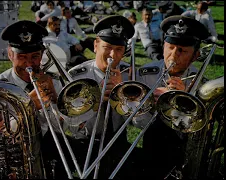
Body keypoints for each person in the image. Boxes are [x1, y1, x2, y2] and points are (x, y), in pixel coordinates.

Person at [0, 20, 67, 179]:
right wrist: (27, 107)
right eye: (21, 57)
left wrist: (56, 100)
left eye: (34, 56)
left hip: (50, 147)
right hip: (14, 155)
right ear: (10, 55)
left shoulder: (52, 81)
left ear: (42, 55)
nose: (29, 64)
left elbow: (63, 128)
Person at [65, 15, 143, 179]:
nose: (112, 55)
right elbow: (69, 124)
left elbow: (140, 122)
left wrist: (123, 95)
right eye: (107, 47)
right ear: (95, 45)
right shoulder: (77, 76)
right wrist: (94, 102)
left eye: (119, 49)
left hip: (118, 142)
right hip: (85, 143)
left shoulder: (131, 76)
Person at [135, 15, 210, 179]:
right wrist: (150, 105)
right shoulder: (145, 74)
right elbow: (137, 122)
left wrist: (185, 101)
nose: (174, 55)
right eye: (170, 47)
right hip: (153, 145)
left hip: (188, 147)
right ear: (163, 46)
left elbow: (202, 129)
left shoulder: (203, 84)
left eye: (182, 51)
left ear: (195, 56)